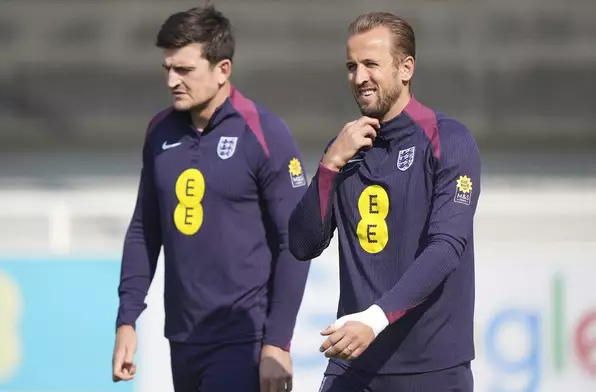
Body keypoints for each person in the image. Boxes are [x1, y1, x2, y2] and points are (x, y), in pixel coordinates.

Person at [112, 5, 311, 392]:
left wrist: (277, 343)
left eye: (184, 70)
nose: (172, 80)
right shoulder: (159, 131)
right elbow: (144, 230)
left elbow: (296, 242)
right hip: (183, 339)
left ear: (223, 70)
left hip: (244, 340)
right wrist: (127, 320)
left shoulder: (264, 132)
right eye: (167, 68)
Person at [288, 11, 481, 392]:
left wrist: (374, 320)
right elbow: (302, 243)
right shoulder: (346, 148)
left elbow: (445, 249)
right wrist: (328, 166)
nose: (359, 78)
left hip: (430, 370)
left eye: (371, 64)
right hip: (353, 367)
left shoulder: (449, 140)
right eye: (351, 66)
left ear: (405, 68)